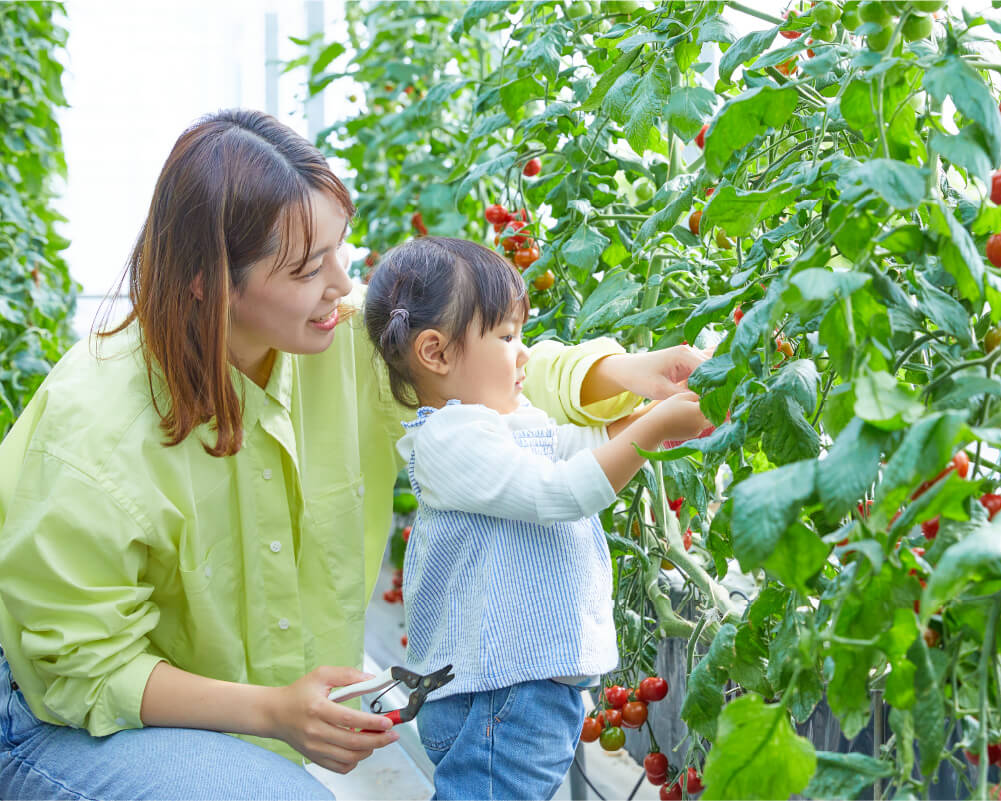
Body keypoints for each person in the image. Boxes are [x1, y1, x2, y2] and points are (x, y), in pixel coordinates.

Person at [0, 109, 709, 800]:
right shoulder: (93, 432)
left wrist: (628, 375)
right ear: (209, 280)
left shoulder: (336, 339)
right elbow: (85, 672)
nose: (342, 285)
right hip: (52, 718)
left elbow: (479, 376)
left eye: (340, 249)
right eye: (310, 267)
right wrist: (273, 711)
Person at [363, 236, 709, 800]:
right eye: (505, 337)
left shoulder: (502, 422)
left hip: (518, 695)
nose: (525, 353)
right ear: (437, 353)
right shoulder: (450, 438)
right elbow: (562, 493)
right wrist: (653, 428)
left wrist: (660, 414)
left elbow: (578, 445)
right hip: (502, 699)